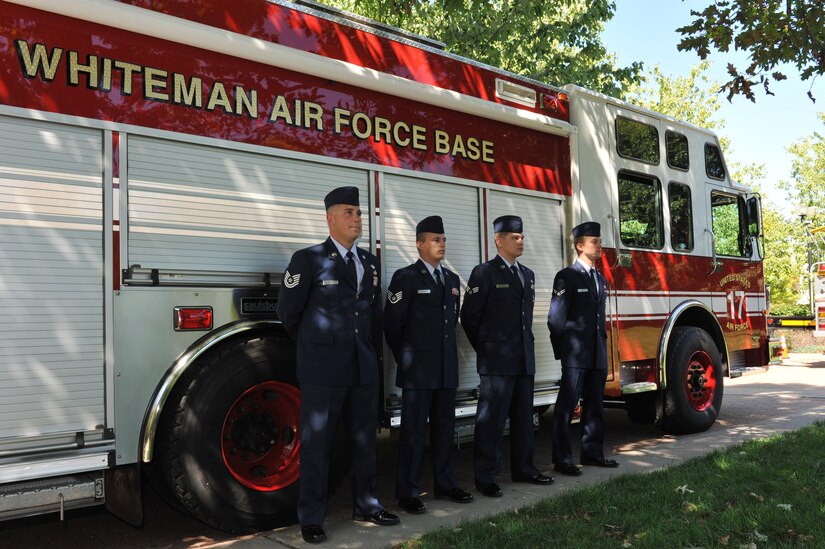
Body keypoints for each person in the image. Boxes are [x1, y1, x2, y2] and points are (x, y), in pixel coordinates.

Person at [277, 186, 399, 544]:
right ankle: (312, 517)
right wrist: (316, 347)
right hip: (323, 369)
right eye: (349, 212)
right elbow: (288, 312)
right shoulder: (308, 259)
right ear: (330, 218)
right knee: (319, 444)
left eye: (359, 213)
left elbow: (372, 315)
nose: (357, 218)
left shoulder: (369, 263)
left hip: (362, 366)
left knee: (364, 440)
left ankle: (367, 505)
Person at [384, 215, 474, 515]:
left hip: (446, 369)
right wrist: (408, 358)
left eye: (444, 239)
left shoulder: (451, 280)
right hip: (418, 371)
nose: (442, 244)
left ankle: (445, 485)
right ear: (420, 244)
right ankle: (408, 492)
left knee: (445, 430)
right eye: (436, 239)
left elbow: (451, 324)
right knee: (413, 434)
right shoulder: (406, 277)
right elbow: (392, 325)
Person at [460, 215, 554, 498]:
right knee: (492, 421)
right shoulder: (484, 273)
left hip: (524, 357)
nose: (520, 241)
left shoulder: (527, 274)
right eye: (515, 237)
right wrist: (488, 349)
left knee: (524, 419)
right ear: (499, 240)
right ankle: (486, 477)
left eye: (521, 236)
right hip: (497, 361)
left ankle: (524, 469)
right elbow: (469, 317)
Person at [548, 221, 620, 476]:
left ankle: (592, 453)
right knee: (566, 408)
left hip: (596, 352)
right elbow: (555, 320)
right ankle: (562, 460)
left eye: (599, 241)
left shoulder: (599, 278)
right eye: (594, 241)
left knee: (595, 406)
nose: (600, 245)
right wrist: (564, 351)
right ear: (580, 246)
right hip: (576, 354)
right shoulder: (566, 276)